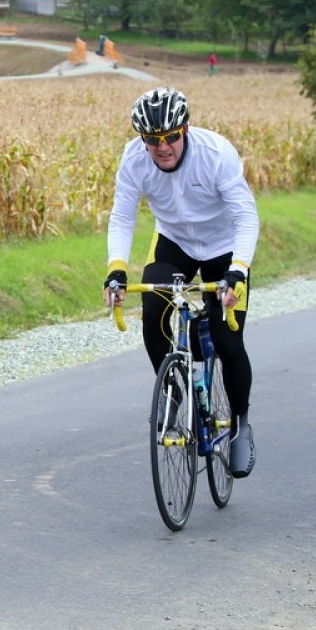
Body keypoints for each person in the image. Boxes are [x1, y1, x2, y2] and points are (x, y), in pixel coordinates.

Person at [103, 86, 259, 478]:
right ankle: (174, 394)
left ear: (185, 130)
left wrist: (237, 270)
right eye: (152, 140)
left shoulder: (215, 153)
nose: (162, 147)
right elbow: (123, 217)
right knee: (154, 312)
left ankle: (240, 423)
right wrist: (117, 269)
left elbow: (246, 218)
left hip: (225, 248)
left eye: (171, 137)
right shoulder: (134, 159)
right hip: (175, 244)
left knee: (227, 339)